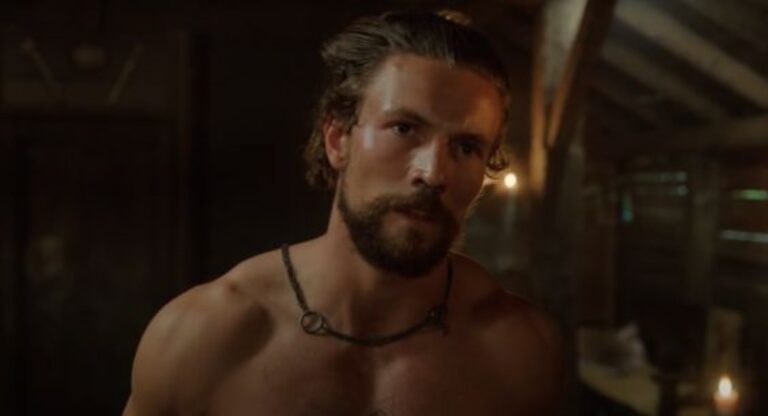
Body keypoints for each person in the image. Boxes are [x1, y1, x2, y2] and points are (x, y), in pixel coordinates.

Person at [123, 10, 561, 416]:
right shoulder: (203, 338)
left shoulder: (517, 351)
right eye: (404, 128)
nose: (433, 173)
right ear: (337, 139)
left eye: (466, 147)